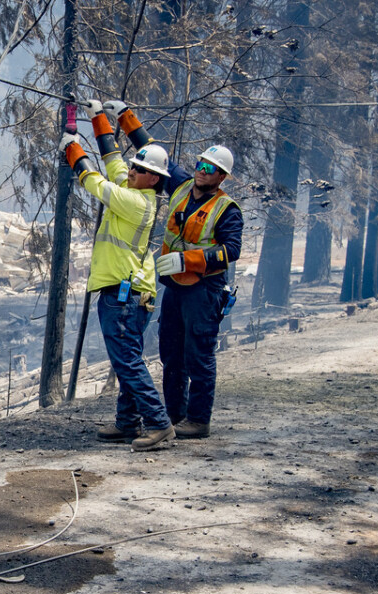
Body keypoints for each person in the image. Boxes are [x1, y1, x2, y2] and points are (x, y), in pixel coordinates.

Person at [102, 99, 243, 439]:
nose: (201, 170)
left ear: (221, 176)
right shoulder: (181, 186)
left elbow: (231, 250)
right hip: (175, 289)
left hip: (204, 291)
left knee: (199, 356)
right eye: (200, 163)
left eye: (209, 168)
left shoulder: (227, 209)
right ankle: (175, 415)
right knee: (170, 355)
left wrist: (189, 260)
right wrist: (124, 116)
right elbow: (151, 151)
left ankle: (198, 420)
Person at [59, 101, 175, 452]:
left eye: (138, 168)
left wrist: (72, 150)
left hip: (123, 296)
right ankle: (128, 422)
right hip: (130, 295)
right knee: (129, 357)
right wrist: (99, 120)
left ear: (152, 178)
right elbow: (113, 162)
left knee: (127, 360)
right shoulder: (139, 190)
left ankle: (157, 422)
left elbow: (95, 182)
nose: (131, 170)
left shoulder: (136, 202)